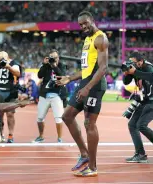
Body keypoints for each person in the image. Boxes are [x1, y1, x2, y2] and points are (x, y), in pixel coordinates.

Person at [56, 11, 108, 177]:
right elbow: (86, 69)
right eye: (81, 25)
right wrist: (69, 78)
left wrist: (87, 88)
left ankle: (92, 167)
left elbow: (103, 68)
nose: (84, 27)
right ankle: (84, 154)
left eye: (86, 23)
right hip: (86, 83)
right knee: (67, 116)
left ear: (92, 20)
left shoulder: (101, 38)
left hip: (95, 85)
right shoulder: (87, 40)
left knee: (89, 124)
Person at [123, 52, 153, 164]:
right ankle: (140, 154)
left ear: (140, 62)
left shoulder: (148, 67)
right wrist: (127, 73)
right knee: (132, 125)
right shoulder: (135, 69)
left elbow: (152, 77)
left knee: (141, 125)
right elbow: (126, 82)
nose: (132, 65)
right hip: (145, 100)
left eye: (134, 63)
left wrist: (134, 71)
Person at [33, 50, 67, 143]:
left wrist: (54, 66)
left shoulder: (61, 65)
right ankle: (41, 136)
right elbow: (39, 75)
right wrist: (44, 64)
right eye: (51, 57)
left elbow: (62, 75)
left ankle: (59, 138)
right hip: (44, 95)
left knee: (58, 117)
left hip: (57, 94)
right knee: (40, 118)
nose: (53, 59)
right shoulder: (45, 66)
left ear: (58, 58)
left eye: (55, 58)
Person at [0, 51, 21, 143]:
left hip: (10, 92)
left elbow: (18, 74)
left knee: (10, 114)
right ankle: (0, 134)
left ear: (8, 58)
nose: (1, 60)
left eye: (3, 58)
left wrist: (8, 66)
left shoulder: (14, 63)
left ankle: (10, 135)